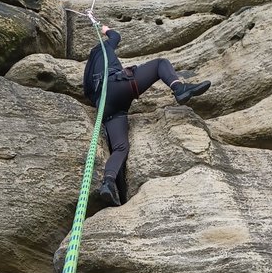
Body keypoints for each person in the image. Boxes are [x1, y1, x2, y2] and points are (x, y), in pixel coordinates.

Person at [83, 26, 211, 207]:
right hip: (117, 86)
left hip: (107, 108)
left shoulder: (87, 75)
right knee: (160, 64)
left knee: (120, 147)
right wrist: (104, 29)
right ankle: (179, 88)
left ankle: (109, 182)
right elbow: (115, 36)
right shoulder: (102, 49)